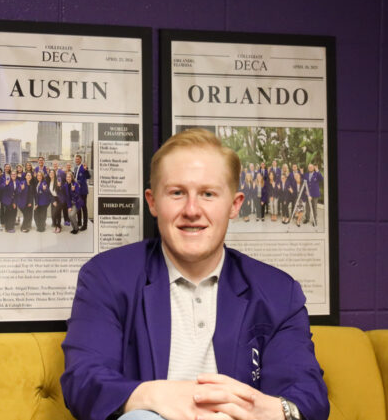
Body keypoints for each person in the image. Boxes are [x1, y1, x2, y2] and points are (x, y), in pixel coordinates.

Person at [61, 128, 327, 420]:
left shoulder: (278, 292)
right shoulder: (107, 277)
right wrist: (153, 395)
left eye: (208, 194)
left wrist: (267, 409)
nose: (191, 210)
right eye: (177, 193)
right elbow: (83, 381)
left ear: (235, 205)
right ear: (152, 202)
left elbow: (308, 397)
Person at [74, 154, 91, 231]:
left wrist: (86, 169)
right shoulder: (75, 168)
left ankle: (85, 225)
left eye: (78, 159)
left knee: (84, 208)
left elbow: (88, 177)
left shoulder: (83, 167)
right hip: (77, 191)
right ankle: (79, 222)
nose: (77, 160)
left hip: (83, 191)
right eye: (76, 159)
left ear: (81, 160)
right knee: (78, 207)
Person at [0, 168, 16, 232]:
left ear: (16, 175)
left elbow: (16, 192)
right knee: (8, 214)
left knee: (12, 214)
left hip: (13, 200)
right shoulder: (7, 180)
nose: (13, 175)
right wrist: (5, 184)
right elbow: (1, 188)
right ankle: (8, 228)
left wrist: (14, 202)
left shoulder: (17, 182)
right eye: (12, 174)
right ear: (10, 175)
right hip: (7, 200)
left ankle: (10, 227)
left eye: (14, 174)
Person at [49, 168, 64, 234]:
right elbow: (49, 192)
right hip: (53, 198)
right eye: (50, 173)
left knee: (57, 214)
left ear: (55, 174)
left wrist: (59, 186)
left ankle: (59, 227)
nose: (51, 174)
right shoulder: (49, 181)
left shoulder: (58, 180)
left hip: (59, 198)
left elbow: (61, 189)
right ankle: (56, 226)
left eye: (53, 173)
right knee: (53, 214)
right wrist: (53, 201)